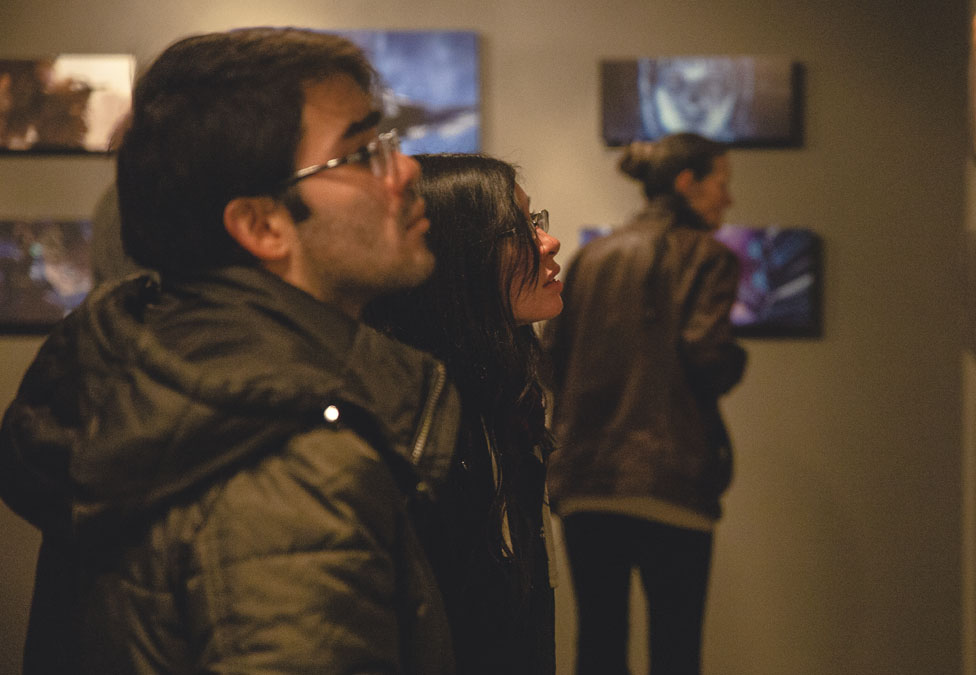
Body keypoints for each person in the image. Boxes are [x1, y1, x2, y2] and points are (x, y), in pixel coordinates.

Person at [0, 28, 462, 674]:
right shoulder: (292, 462)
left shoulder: (163, 384)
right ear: (261, 224)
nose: (407, 169)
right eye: (361, 154)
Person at [545, 132, 747, 675]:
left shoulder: (591, 256)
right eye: (721, 183)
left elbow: (551, 360)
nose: (728, 199)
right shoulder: (708, 257)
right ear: (686, 183)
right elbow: (706, 357)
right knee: (675, 652)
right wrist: (737, 361)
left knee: (598, 646)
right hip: (670, 479)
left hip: (585, 481)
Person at [362, 153, 563, 674]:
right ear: (458, 258)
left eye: (535, 220)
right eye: (519, 228)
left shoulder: (504, 396)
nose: (549, 242)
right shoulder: (414, 421)